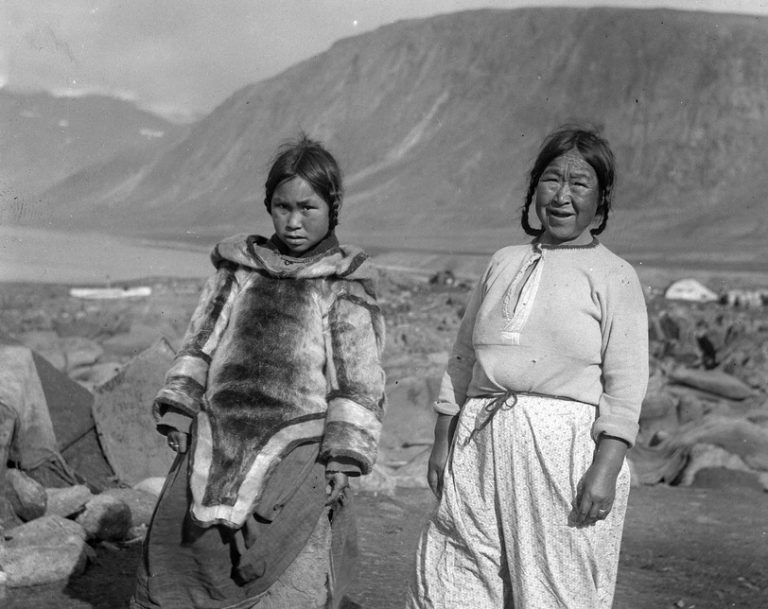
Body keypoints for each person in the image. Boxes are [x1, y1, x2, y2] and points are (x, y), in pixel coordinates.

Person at [131, 134, 386, 609]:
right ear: (268, 205)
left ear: (333, 207)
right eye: (282, 207)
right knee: (175, 541)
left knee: (285, 551)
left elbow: (356, 381)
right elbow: (200, 343)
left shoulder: (341, 284)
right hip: (216, 427)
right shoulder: (239, 271)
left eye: (307, 208)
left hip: (297, 438)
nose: (293, 222)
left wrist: (343, 456)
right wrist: (181, 408)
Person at [406, 125, 649, 609]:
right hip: (477, 444)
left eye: (579, 183)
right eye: (551, 179)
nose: (562, 196)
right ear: (534, 187)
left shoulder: (616, 275)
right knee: (454, 578)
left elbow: (626, 385)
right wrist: (442, 441)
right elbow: (463, 356)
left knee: (554, 591)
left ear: (601, 198)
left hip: (563, 457)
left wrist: (605, 469)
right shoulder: (503, 261)